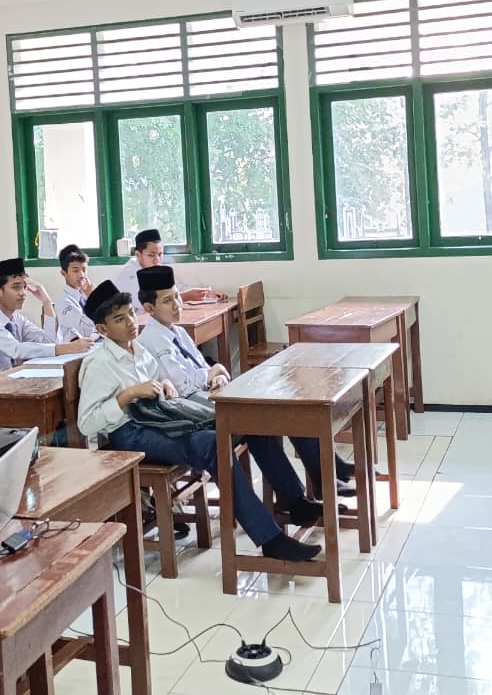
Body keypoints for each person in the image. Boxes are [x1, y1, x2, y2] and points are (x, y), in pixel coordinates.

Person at [77, 280, 322, 562]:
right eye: (120, 319)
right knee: (211, 445)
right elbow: (87, 423)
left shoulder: (138, 350)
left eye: (131, 313)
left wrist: (164, 385)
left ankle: (295, 501)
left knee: (249, 423)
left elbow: (156, 381)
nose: (131, 322)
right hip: (130, 432)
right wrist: (127, 395)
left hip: (160, 417)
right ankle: (270, 539)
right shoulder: (99, 363)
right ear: (102, 329)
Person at [135, 265, 355, 500]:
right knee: (268, 418)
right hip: (195, 410)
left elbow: (201, 367)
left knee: (289, 404)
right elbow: (181, 386)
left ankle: (324, 476)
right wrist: (211, 373)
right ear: (149, 308)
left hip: (211, 395)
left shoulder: (177, 332)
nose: (177, 304)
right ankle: (302, 493)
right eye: (167, 301)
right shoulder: (149, 341)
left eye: (177, 296)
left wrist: (217, 374)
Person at [0, 258, 90, 376]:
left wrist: (46, 302)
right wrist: (68, 347)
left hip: (8, 384)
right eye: (16, 287)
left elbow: (49, 342)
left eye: (24, 287)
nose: (23, 293)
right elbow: (16, 350)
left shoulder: (17, 319)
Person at [112, 228, 223, 309]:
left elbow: (177, 287)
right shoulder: (128, 274)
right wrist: (185, 297)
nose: (157, 260)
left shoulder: (157, 269)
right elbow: (146, 303)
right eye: (151, 255)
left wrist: (207, 294)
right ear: (138, 255)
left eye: (160, 254)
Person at [54, 244, 96, 341]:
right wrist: (93, 300)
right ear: (63, 273)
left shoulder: (86, 293)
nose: (82, 275)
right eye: (75, 271)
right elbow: (86, 331)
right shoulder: (64, 302)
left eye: (84, 270)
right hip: (77, 348)